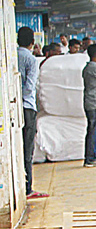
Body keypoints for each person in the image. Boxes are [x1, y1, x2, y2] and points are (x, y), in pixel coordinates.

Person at [17, 27, 49, 199]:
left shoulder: (12, 56)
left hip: (12, 108)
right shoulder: (31, 59)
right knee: (27, 149)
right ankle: (28, 187)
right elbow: (29, 87)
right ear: (32, 42)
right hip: (27, 107)